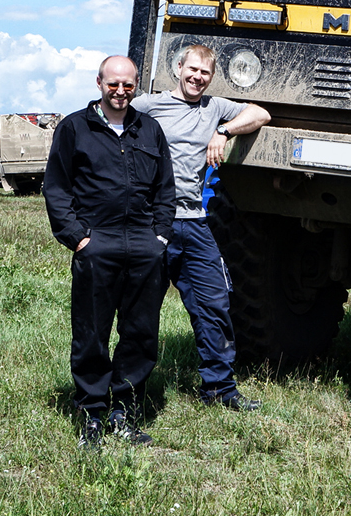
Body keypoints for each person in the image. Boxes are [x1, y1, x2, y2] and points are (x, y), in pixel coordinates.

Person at [44, 55, 175, 449]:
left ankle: (124, 412)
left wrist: (160, 238)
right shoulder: (74, 128)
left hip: (143, 246)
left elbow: (165, 189)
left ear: (137, 86)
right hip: (96, 243)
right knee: (91, 333)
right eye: (113, 84)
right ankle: (92, 415)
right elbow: (56, 188)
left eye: (128, 85)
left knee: (140, 333)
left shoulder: (149, 129)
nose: (120, 92)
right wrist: (79, 238)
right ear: (98, 83)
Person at [132, 44, 271, 411]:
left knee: (215, 304)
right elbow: (111, 120)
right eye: (192, 70)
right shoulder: (151, 105)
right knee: (141, 309)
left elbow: (261, 113)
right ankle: (131, 392)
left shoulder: (215, 108)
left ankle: (220, 390)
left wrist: (223, 132)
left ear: (212, 78)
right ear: (178, 68)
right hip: (153, 223)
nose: (197, 78)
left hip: (194, 223)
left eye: (205, 73)